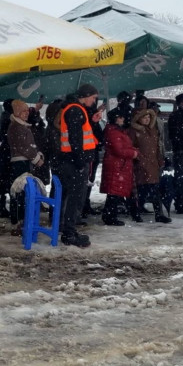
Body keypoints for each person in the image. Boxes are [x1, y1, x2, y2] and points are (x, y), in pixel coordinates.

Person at [52, 84, 101, 247]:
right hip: (74, 162)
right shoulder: (76, 110)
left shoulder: (73, 109)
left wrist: (93, 122)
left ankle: (66, 229)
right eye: (93, 98)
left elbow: (80, 135)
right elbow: (76, 139)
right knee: (75, 198)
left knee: (70, 197)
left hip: (69, 160)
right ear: (86, 95)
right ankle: (69, 233)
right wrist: (80, 162)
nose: (94, 102)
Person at [128, 109, 171, 223]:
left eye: (148, 117)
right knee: (140, 190)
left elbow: (157, 147)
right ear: (139, 119)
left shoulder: (153, 130)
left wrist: (160, 159)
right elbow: (131, 147)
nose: (147, 119)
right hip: (140, 165)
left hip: (153, 164)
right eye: (144, 117)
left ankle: (159, 214)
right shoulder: (133, 131)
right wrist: (138, 158)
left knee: (155, 190)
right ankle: (136, 212)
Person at [7, 100, 44, 227]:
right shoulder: (16, 127)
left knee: (22, 191)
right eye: (24, 110)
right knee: (19, 191)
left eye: (27, 110)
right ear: (17, 112)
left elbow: (29, 146)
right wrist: (36, 158)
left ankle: (20, 219)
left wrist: (37, 153)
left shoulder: (21, 126)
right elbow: (24, 146)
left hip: (24, 162)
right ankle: (18, 220)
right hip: (20, 163)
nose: (27, 113)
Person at [100, 108, 138, 226]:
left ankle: (110, 215)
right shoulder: (114, 132)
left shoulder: (117, 131)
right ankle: (110, 216)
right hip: (116, 166)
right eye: (120, 117)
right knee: (114, 193)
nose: (123, 119)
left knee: (114, 193)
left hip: (119, 166)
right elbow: (119, 150)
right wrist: (133, 153)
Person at [167, 93, 183, 214]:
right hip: (181, 151)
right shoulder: (175, 117)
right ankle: (180, 203)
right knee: (180, 179)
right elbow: (174, 135)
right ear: (180, 104)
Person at [0, 99, 15, 218]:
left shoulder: (3, 118)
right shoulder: (9, 119)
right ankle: (8, 207)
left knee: (4, 181)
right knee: (9, 181)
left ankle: (3, 206)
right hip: (8, 153)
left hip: (4, 152)